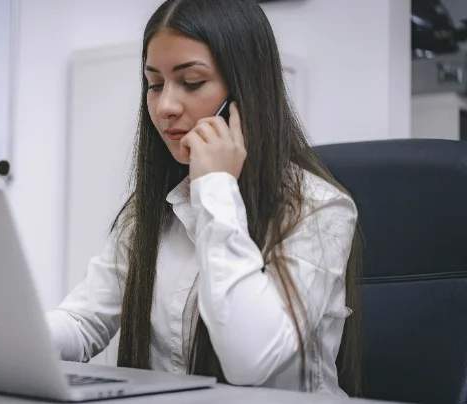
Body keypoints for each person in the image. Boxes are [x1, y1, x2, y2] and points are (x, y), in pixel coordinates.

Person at [46, 0, 362, 397]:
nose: (165, 107)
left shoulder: (317, 209)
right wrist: (4, 337)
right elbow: (84, 322)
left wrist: (216, 188)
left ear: (246, 91)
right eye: (154, 84)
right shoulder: (152, 210)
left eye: (192, 83)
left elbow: (250, 361)